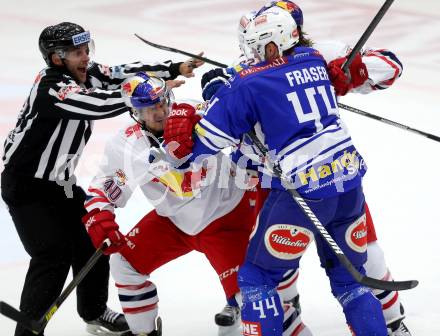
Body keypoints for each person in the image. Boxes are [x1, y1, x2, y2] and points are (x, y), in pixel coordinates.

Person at [164, 6, 390, 336]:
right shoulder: (315, 60)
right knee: (351, 284)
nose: (249, 55)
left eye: (254, 48)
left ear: (271, 46)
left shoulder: (245, 84)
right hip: (349, 185)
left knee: (256, 279)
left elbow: (193, 152)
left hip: (304, 193)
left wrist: (187, 119)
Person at [0, 21, 202, 336]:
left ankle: (93, 311)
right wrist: (144, 98)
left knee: (93, 238)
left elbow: (124, 72)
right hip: (26, 186)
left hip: (61, 184)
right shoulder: (51, 86)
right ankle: (28, 331)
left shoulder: (88, 72)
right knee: (51, 253)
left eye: (86, 50)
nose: (85, 58)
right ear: (57, 59)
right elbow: (96, 104)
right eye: (77, 53)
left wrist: (172, 67)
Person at [82, 72, 274, 336]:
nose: (160, 111)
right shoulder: (126, 144)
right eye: (150, 108)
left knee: (252, 294)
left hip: (225, 219)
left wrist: (221, 93)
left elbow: (248, 127)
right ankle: (143, 333)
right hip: (173, 222)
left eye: (162, 102)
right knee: (124, 265)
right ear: (135, 113)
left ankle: (279, 307)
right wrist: (100, 216)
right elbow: (105, 185)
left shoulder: (193, 112)